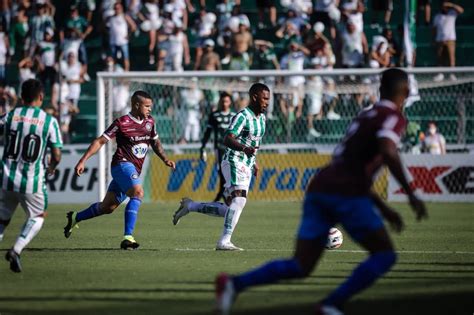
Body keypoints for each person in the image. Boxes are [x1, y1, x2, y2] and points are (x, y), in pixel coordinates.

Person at [214, 68, 428, 314]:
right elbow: (387, 151)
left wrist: (382, 207)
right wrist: (410, 194)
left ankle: (233, 284)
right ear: (406, 92)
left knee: (301, 265)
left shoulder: (365, 115)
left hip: (321, 186)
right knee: (385, 254)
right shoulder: (393, 117)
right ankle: (331, 304)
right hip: (346, 192)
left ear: (380, 89)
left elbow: (351, 164)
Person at [64, 91, 176, 249]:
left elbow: (155, 143)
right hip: (121, 165)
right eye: (147, 106)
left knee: (107, 207)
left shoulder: (150, 122)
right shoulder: (122, 122)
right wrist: (83, 160)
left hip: (132, 170)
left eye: (151, 106)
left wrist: (165, 159)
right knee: (138, 192)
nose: (150, 109)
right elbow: (100, 141)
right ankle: (128, 237)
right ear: (136, 105)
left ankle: (76, 217)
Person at [172, 83, 269, 251]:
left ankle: (190, 206)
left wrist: (254, 162)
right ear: (255, 97)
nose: (267, 102)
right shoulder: (243, 116)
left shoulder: (262, 119)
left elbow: (252, 143)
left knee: (231, 209)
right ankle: (224, 241)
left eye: (268, 98)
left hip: (246, 163)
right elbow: (227, 138)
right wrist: (244, 149)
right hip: (233, 160)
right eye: (265, 98)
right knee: (239, 200)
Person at [0, 79, 62, 272]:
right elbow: (57, 154)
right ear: (41, 97)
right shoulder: (49, 121)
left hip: (5, 178)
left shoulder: (11, 116)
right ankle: (16, 249)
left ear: (21, 97)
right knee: (38, 215)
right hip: (31, 181)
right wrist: (52, 165)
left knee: (2, 218)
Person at [199, 92, 234, 202]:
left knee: (229, 175)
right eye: (223, 101)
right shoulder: (214, 116)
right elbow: (208, 133)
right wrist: (203, 147)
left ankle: (220, 196)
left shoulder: (234, 116)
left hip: (232, 150)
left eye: (226, 101)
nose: (224, 103)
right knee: (222, 173)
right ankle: (223, 196)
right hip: (219, 149)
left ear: (230, 102)